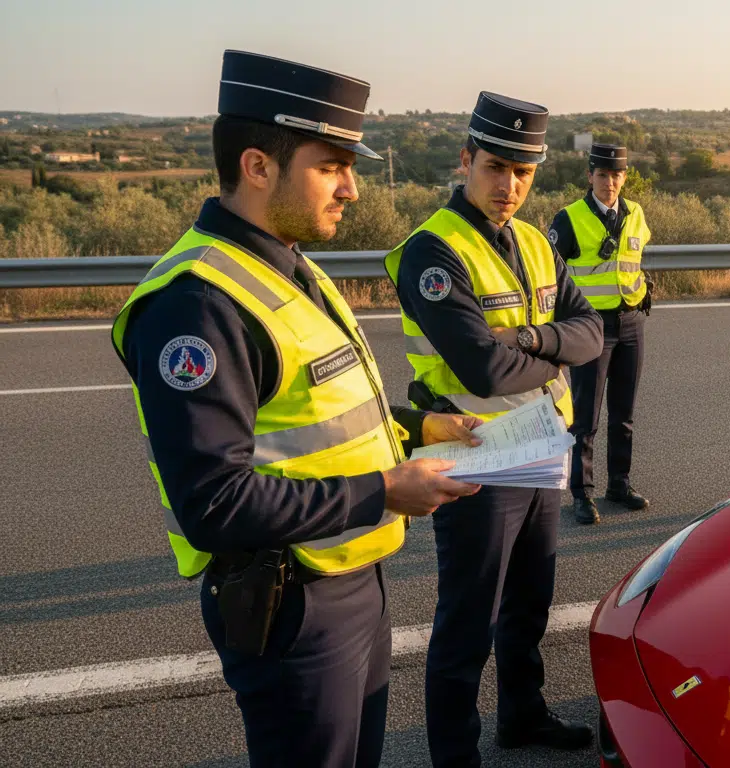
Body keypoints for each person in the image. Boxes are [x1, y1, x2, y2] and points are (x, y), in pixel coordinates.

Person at [108, 51, 482, 768]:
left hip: (351, 575)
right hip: (294, 603)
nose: (351, 189)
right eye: (331, 166)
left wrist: (417, 427)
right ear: (258, 166)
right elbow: (213, 503)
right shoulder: (199, 304)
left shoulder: (284, 260)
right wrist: (385, 490)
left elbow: (311, 409)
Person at [382, 91, 603, 767]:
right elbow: (480, 366)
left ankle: (521, 715)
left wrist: (531, 335)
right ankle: (456, 755)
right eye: (496, 167)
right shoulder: (431, 251)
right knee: (467, 620)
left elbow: (592, 332)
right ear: (467, 159)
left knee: (530, 601)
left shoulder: (538, 242)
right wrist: (550, 347)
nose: (508, 185)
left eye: (523, 173)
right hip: (477, 452)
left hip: (540, 447)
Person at [547, 143, 653, 524]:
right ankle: (582, 493)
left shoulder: (636, 213)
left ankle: (619, 485)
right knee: (586, 417)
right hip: (591, 328)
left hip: (631, 323)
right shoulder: (570, 218)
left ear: (625, 177)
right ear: (590, 176)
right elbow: (551, 277)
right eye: (603, 175)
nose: (610, 182)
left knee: (624, 413)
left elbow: (634, 262)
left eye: (617, 175)